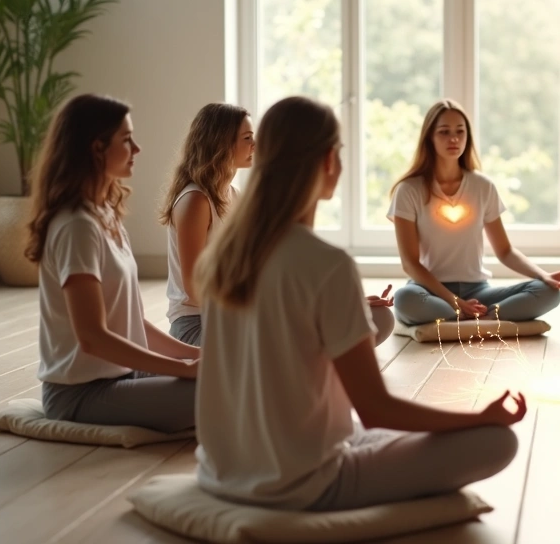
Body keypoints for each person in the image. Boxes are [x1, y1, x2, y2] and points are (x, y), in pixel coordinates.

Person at [193, 96, 524, 510]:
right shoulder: (326, 264)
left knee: (370, 433)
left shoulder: (225, 255)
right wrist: (479, 418)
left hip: (220, 472)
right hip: (304, 482)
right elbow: (375, 409)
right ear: (329, 161)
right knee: (497, 441)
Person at [27, 94, 198, 433]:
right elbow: (93, 337)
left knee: (233, 377)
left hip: (122, 375)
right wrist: (186, 369)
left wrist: (193, 354)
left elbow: (130, 324)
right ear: (97, 148)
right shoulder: (77, 226)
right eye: (127, 139)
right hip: (79, 394)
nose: (137, 148)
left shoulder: (105, 213)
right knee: (225, 394)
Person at [390, 99, 560, 329]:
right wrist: (454, 302)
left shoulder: (483, 186)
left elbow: (505, 251)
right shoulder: (409, 190)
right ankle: (473, 318)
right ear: (429, 138)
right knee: (405, 299)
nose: (454, 139)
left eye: (460, 131)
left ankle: (473, 318)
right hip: (430, 291)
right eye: (444, 132)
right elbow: (410, 264)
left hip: (477, 292)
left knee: (548, 292)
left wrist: (543, 275)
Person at [159, 103, 254, 346]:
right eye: (247, 138)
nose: (255, 144)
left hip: (225, 315)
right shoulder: (195, 200)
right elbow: (194, 287)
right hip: (195, 324)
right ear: (221, 143)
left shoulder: (235, 195)